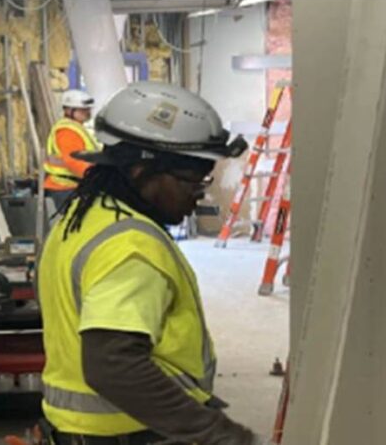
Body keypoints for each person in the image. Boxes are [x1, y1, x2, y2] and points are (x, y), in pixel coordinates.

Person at [37, 81, 273, 445]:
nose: (201, 193)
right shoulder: (130, 247)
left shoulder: (83, 217)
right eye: (192, 180)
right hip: (128, 434)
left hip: (82, 432)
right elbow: (112, 364)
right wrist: (215, 432)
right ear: (141, 172)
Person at [43, 89, 100, 210]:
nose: (87, 112)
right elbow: (74, 161)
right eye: (83, 109)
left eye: (88, 109)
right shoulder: (68, 132)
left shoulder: (76, 128)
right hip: (66, 187)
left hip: (72, 185)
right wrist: (96, 177)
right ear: (68, 110)